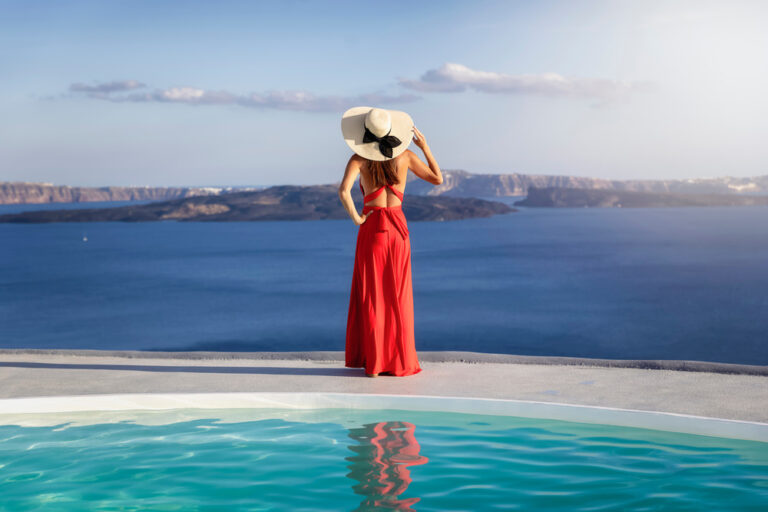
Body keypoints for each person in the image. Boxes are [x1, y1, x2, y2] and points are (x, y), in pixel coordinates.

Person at [338, 106, 443, 377]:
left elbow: (343, 192)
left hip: (372, 229)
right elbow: (437, 179)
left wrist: (357, 219)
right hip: (398, 232)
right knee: (397, 297)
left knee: (373, 296)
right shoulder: (407, 156)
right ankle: (396, 360)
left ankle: (373, 364)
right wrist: (426, 147)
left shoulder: (358, 160)